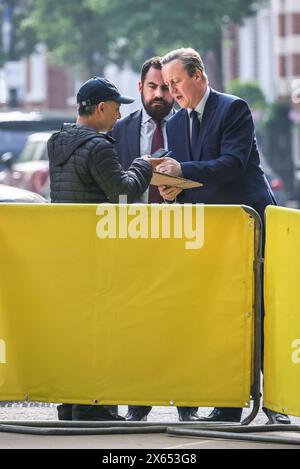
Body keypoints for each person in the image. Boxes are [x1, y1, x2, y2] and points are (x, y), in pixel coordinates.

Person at [156, 47, 290, 425]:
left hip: (247, 228)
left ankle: (275, 405)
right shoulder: (177, 123)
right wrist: (173, 187)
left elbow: (231, 165)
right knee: (219, 315)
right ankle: (227, 405)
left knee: (260, 313)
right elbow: (190, 173)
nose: (172, 92)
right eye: (167, 85)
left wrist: (183, 169)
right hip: (208, 233)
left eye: (177, 82)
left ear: (198, 74)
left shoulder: (234, 109)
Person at [48, 76, 154, 421]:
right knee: (102, 330)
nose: (120, 116)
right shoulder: (99, 147)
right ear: (102, 107)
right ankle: (97, 407)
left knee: (76, 331)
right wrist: (144, 165)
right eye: (117, 108)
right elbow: (123, 194)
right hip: (98, 252)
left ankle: (72, 403)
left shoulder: (57, 142)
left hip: (67, 252)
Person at [112, 57, 199, 422]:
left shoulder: (187, 124)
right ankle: (138, 401)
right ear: (140, 89)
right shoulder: (120, 131)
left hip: (181, 235)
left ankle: (186, 403)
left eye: (166, 87)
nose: (161, 94)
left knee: (183, 320)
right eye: (153, 87)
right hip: (135, 236)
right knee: (137, 322)